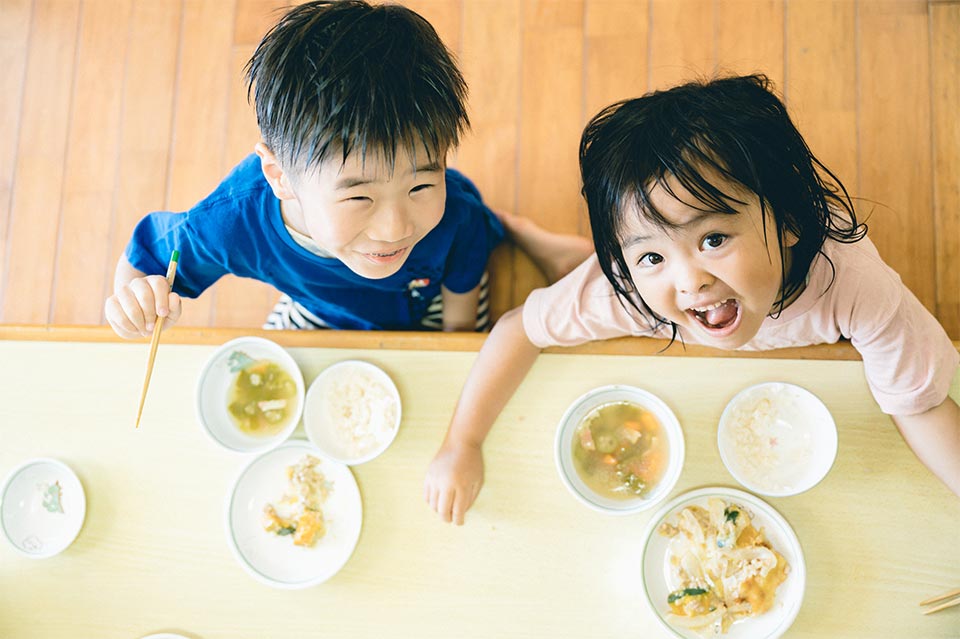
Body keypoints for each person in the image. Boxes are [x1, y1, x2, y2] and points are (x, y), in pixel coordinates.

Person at [424, 74, 960, 525]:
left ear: (791, 221)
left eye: (713, 240)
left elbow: (922, 401)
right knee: (580, 275)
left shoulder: (852, 283)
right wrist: (462, 444)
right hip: (603, 276)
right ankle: (540, 239)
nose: (689, 283)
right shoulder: (634, 294)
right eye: (652, 256)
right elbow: (520, 328)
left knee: (587, 272)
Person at [104, 0, 503, 337]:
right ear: (280, 177)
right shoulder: (232, 222)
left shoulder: (457, 212)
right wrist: (135, 302)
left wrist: (456, 342)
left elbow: (464, 279)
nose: (395, 229)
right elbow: (144, 265)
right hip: (324, 311)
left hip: (429, 299)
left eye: (420, 187)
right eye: (359, 196)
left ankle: (509, 227)